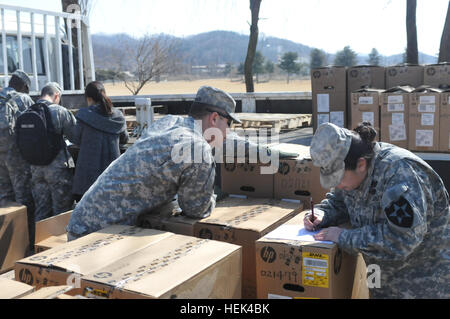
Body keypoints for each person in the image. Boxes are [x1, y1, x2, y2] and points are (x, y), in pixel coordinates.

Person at [66, 86, 241, 240]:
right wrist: (213, 196)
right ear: (214, 118)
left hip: (81, 223)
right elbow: (197, 209)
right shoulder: (197, 148)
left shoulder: (169, 122)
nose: (228, 131)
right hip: (97, 237)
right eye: (229, 123)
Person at [303, 122, 449, 299]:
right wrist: (322, 214)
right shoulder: (352, 176)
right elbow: (340, 200)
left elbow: (402, 240)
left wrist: (343, 237)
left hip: (422, 286)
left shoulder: (401, 174)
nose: (337, 184)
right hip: (381, 282)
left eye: (338, 178)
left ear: (361, 164)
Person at [71, 81, 129, 201]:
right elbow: (125, 139)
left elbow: (76, 139)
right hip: (111, 174)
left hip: (87, 177)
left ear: (89, 98)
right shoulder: (118, 116)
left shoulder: (84, 115)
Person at [29, 82, 77, 221]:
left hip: (35, 168)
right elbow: (75, 136)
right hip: (58, 169)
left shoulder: (28, 111)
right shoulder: (59, 111)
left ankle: (38, 241)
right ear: (56, 95)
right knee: (62, 210)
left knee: (41, 209)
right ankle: (59, 242)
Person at [0, 70, 36, 250]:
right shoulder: (23, 99)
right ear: (25, 86)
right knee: (23, 197)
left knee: (5, 197)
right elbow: (36, 125)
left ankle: (6, 243)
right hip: (16, 156)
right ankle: (25, 242)